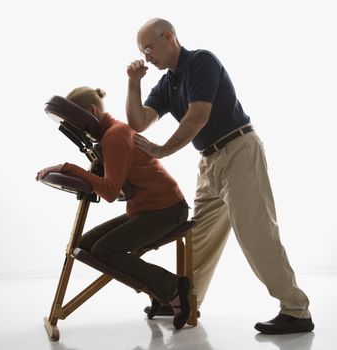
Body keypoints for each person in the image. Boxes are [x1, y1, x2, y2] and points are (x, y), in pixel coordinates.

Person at [126, 18, 314, 334]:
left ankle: (296, 311)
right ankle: (184, 302)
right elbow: (138, 123)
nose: (146, 57)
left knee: (257, 234)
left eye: (148, 48)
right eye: (141, 52)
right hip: (210, 161)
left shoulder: (201, 61)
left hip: (239, 150)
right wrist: (133, 82)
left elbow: (198, 117)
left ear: (168, 37)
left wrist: (161, 151)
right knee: (196, 237)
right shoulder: (166, 83)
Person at [36, 86, 192, 330]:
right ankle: (158, 289)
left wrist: (67, 167)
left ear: (91, 111)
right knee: (85, 246)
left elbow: (109, 192)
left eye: (76, 123)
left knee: (104, 251)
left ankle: (173, 288)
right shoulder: (109, 135)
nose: (76, 129)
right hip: (146, 209)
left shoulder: (115, 136)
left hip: (167, 210)